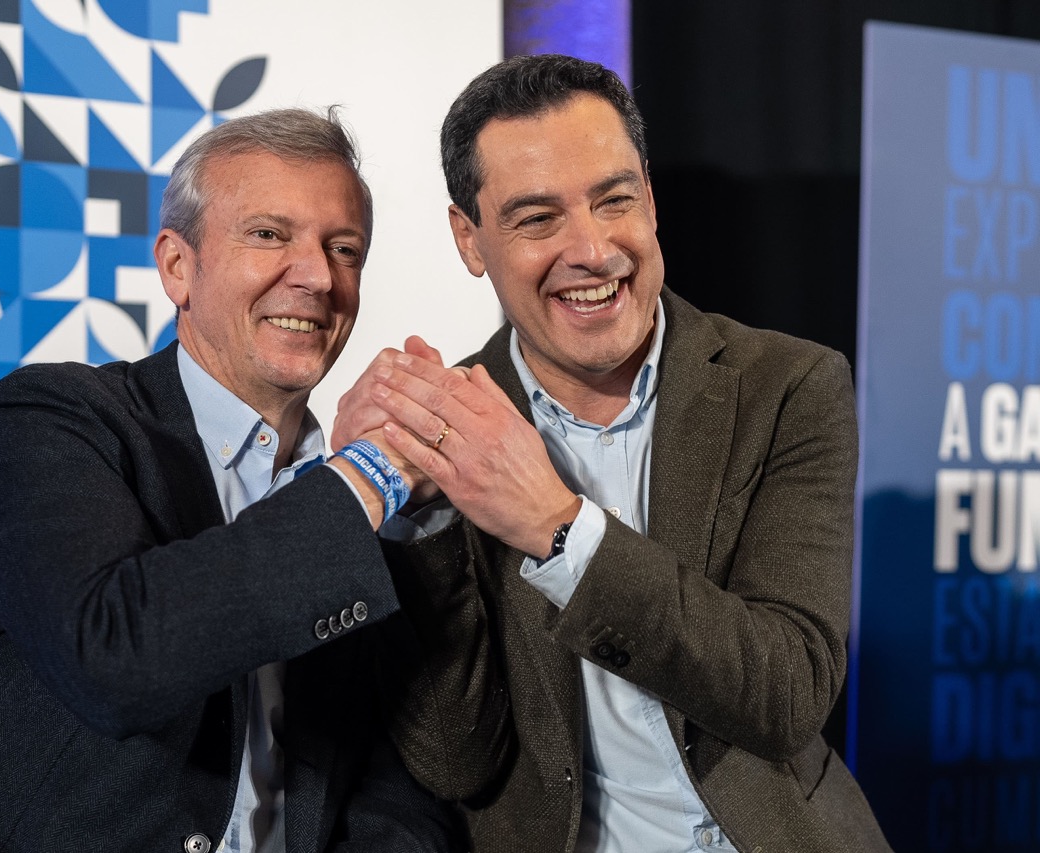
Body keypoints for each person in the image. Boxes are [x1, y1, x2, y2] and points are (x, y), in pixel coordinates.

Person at [0, 108, 463, 853]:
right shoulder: (55, 416)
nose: (317, 277)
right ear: (178, 266)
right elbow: (115, 658)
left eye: (344, 249)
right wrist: (373, 471)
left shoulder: (358, 502)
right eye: (269, 235)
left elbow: (393, 783)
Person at [334, 55, 892, 853]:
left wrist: (560, 531)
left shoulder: (787, 385)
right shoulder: (449, 429)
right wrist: (417, 528)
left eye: (614, 200)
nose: (592, 250)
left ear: (650, 199)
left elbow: (787, 693)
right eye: (537, 218)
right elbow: (454, 760)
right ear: (469, 239)